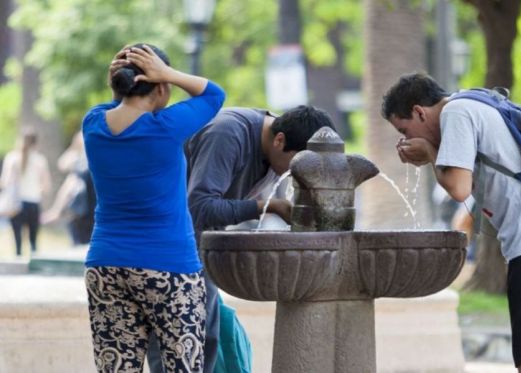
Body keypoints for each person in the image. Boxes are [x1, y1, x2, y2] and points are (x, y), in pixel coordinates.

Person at [382, 72, 521, 373]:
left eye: (404, 129)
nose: (405, 139)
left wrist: (428, 152)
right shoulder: (477, 101)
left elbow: (459, 187)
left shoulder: (456, 112)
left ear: (419, 112)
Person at [147, 105, 337, 373]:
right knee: (178, 345)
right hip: (163, 246)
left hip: (195, 245)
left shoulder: (274, 148)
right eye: (298, 166)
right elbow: (199, 207)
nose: (298, 175)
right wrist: (268, 206)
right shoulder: (227, 134)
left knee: (205, 340)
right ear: (280, 140)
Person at [82, 44, 225, 372]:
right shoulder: (166, 126)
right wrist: (170, 73)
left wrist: (120, 83)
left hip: (106, 265)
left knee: (116, 367)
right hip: (169, 268)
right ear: (160, 85)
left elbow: (114, 108)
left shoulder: (93, 125)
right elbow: (214, 95)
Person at [0, 128, 51, 256]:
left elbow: (5, 182)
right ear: (36, 142)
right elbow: (46, 186)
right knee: (33, 242)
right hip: (33, 203)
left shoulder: (12, 158)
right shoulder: (40, 160)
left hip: (16, 204)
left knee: (17, 243)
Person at [42, 131, 96, 245]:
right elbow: (62, 164)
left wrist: (56, 210)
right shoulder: (89, 162)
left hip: (81, 213)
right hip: (91, 213)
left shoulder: (81, 165)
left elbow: (63, 168)